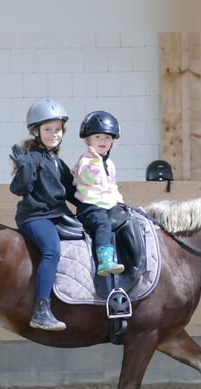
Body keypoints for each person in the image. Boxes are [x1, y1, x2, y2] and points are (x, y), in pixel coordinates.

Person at [9, 98, 80, 331]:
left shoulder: (57, 161)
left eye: (58, 129)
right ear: (36, 131)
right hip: (36, 216)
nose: (54, 134)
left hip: (59, 215)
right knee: (52, 250)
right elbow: (18, 189)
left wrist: (102, 201)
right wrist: (24, 169)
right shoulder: (30, 158)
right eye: (48, 129)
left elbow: (73, 193)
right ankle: (41, 309)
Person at [73, 110, 125, 276]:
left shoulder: (109, 163)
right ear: (87, 139)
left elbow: (111, 185)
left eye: (107, 137)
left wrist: (119, 200)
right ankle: (104, 261)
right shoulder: (86, 161)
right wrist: (95, 162)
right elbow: (87, 178)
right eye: (97, 137)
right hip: (91, 207)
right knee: (103, 225)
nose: (103, 141)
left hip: (108, 205)